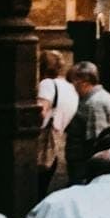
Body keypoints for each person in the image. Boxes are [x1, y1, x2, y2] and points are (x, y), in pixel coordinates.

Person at [64, 62, 110, 185]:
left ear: (84, 82)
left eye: (73, 83)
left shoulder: (95, 103)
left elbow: (96, 139)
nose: (72, 87)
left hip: (83, 166)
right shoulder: (97, 98)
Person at [36, 50, 78, 194]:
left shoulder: (47, 84)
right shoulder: (70, 87)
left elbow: (41, 111)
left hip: (42, 145)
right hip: (58, 146)